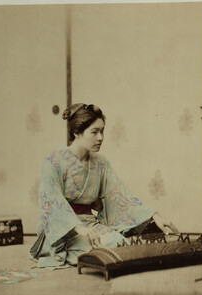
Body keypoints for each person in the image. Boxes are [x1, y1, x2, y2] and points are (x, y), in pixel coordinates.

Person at [30, 103, 179, 268]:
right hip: (62, 230)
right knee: (105, 250)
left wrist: (154, 216)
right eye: (94, 132)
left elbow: (120, 195)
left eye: (102, 131)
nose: (100, 137)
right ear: (77, 132)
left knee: (120, 243)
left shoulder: (100, 163)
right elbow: (51, 200)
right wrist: (79, 228)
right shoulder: (54, 161)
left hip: (89, 224)